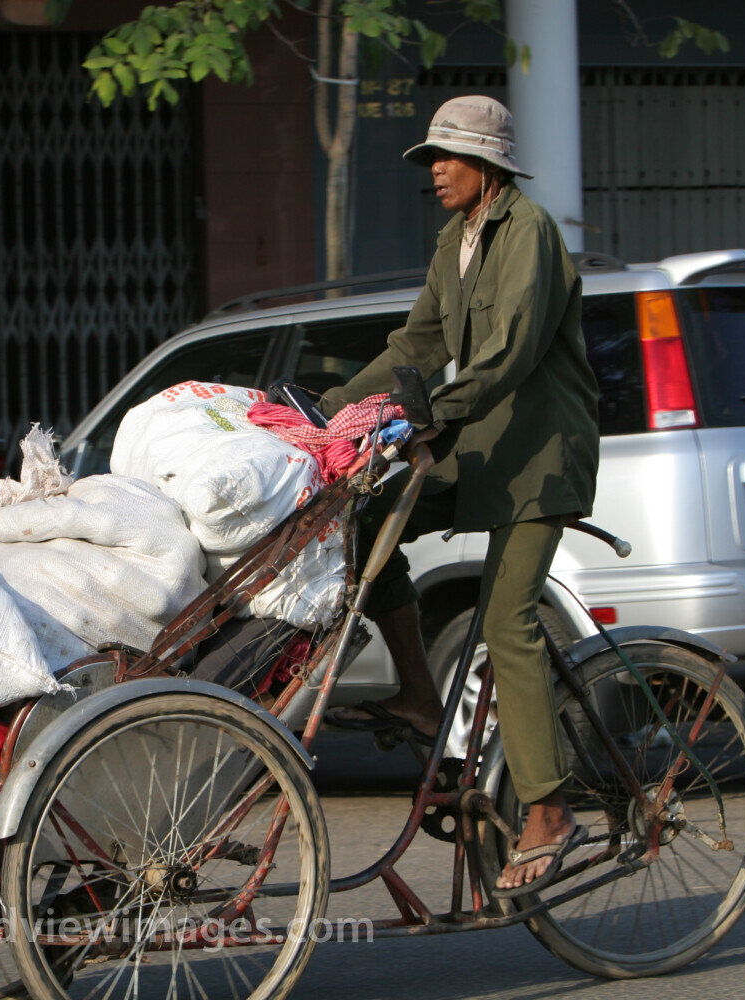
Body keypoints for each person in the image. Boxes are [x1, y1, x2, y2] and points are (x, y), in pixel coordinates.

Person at [319, 96, 600, 898]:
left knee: (507, 620)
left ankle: (549, 807)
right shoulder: (458, 239)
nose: (434, 169)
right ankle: (416, 689)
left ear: (488, 165)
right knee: (368, 523)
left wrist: (426, 416)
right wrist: (338, 409)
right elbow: (420, 342)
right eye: (431, 158)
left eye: (447, 156)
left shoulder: (530, 232)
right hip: (482, 451)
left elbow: (508, 352)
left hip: (541, 457)